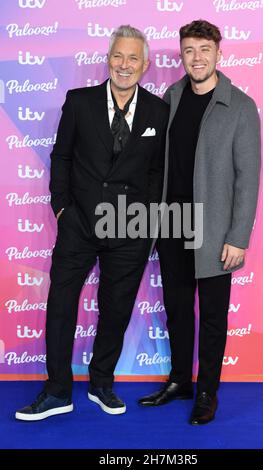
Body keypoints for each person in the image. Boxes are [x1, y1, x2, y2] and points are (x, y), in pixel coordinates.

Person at [15, 25, 169, 421]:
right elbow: (61, 157)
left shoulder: (157, 110)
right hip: (79, 223)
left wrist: (147, 221)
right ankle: (57, 391)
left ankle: (102, 382)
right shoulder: (79, 102)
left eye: (133, 57)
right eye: (118, 55)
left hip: (130, 229)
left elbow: (155, 172)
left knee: (116, 309)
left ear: (145, 65)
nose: (124, 64)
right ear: (108, 59)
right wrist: (62, 208)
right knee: (62, 305)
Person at [138, 19, 261, 425]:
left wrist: (238, 237)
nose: (197, 58)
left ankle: (207, 390)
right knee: (176, 309)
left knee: (212, 315)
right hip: (172, 224)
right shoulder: (171, 96)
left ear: (218, 54)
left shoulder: (240, 106)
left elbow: (248, 177)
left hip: (214, 232)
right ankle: (179, 381)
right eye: (189, 51)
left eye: (204, 50)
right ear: (182, 55)